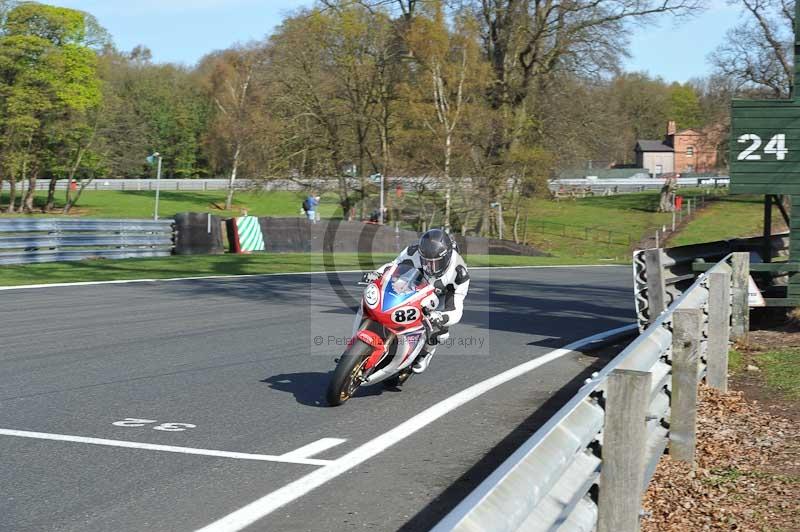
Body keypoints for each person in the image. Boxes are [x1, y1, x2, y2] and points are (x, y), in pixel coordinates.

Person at [358, 228, 470, 374]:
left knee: (440, 331)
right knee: (387, 292)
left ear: (447, 257)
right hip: (417, 280)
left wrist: (440, 316)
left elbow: (456, 309)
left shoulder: (460, 273)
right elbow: (394, 266)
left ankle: (426, 353)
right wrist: (377, 273)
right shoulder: (413, 251)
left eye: (436, 263)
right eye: (426, 261)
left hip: (442, 294)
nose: (429, 266)